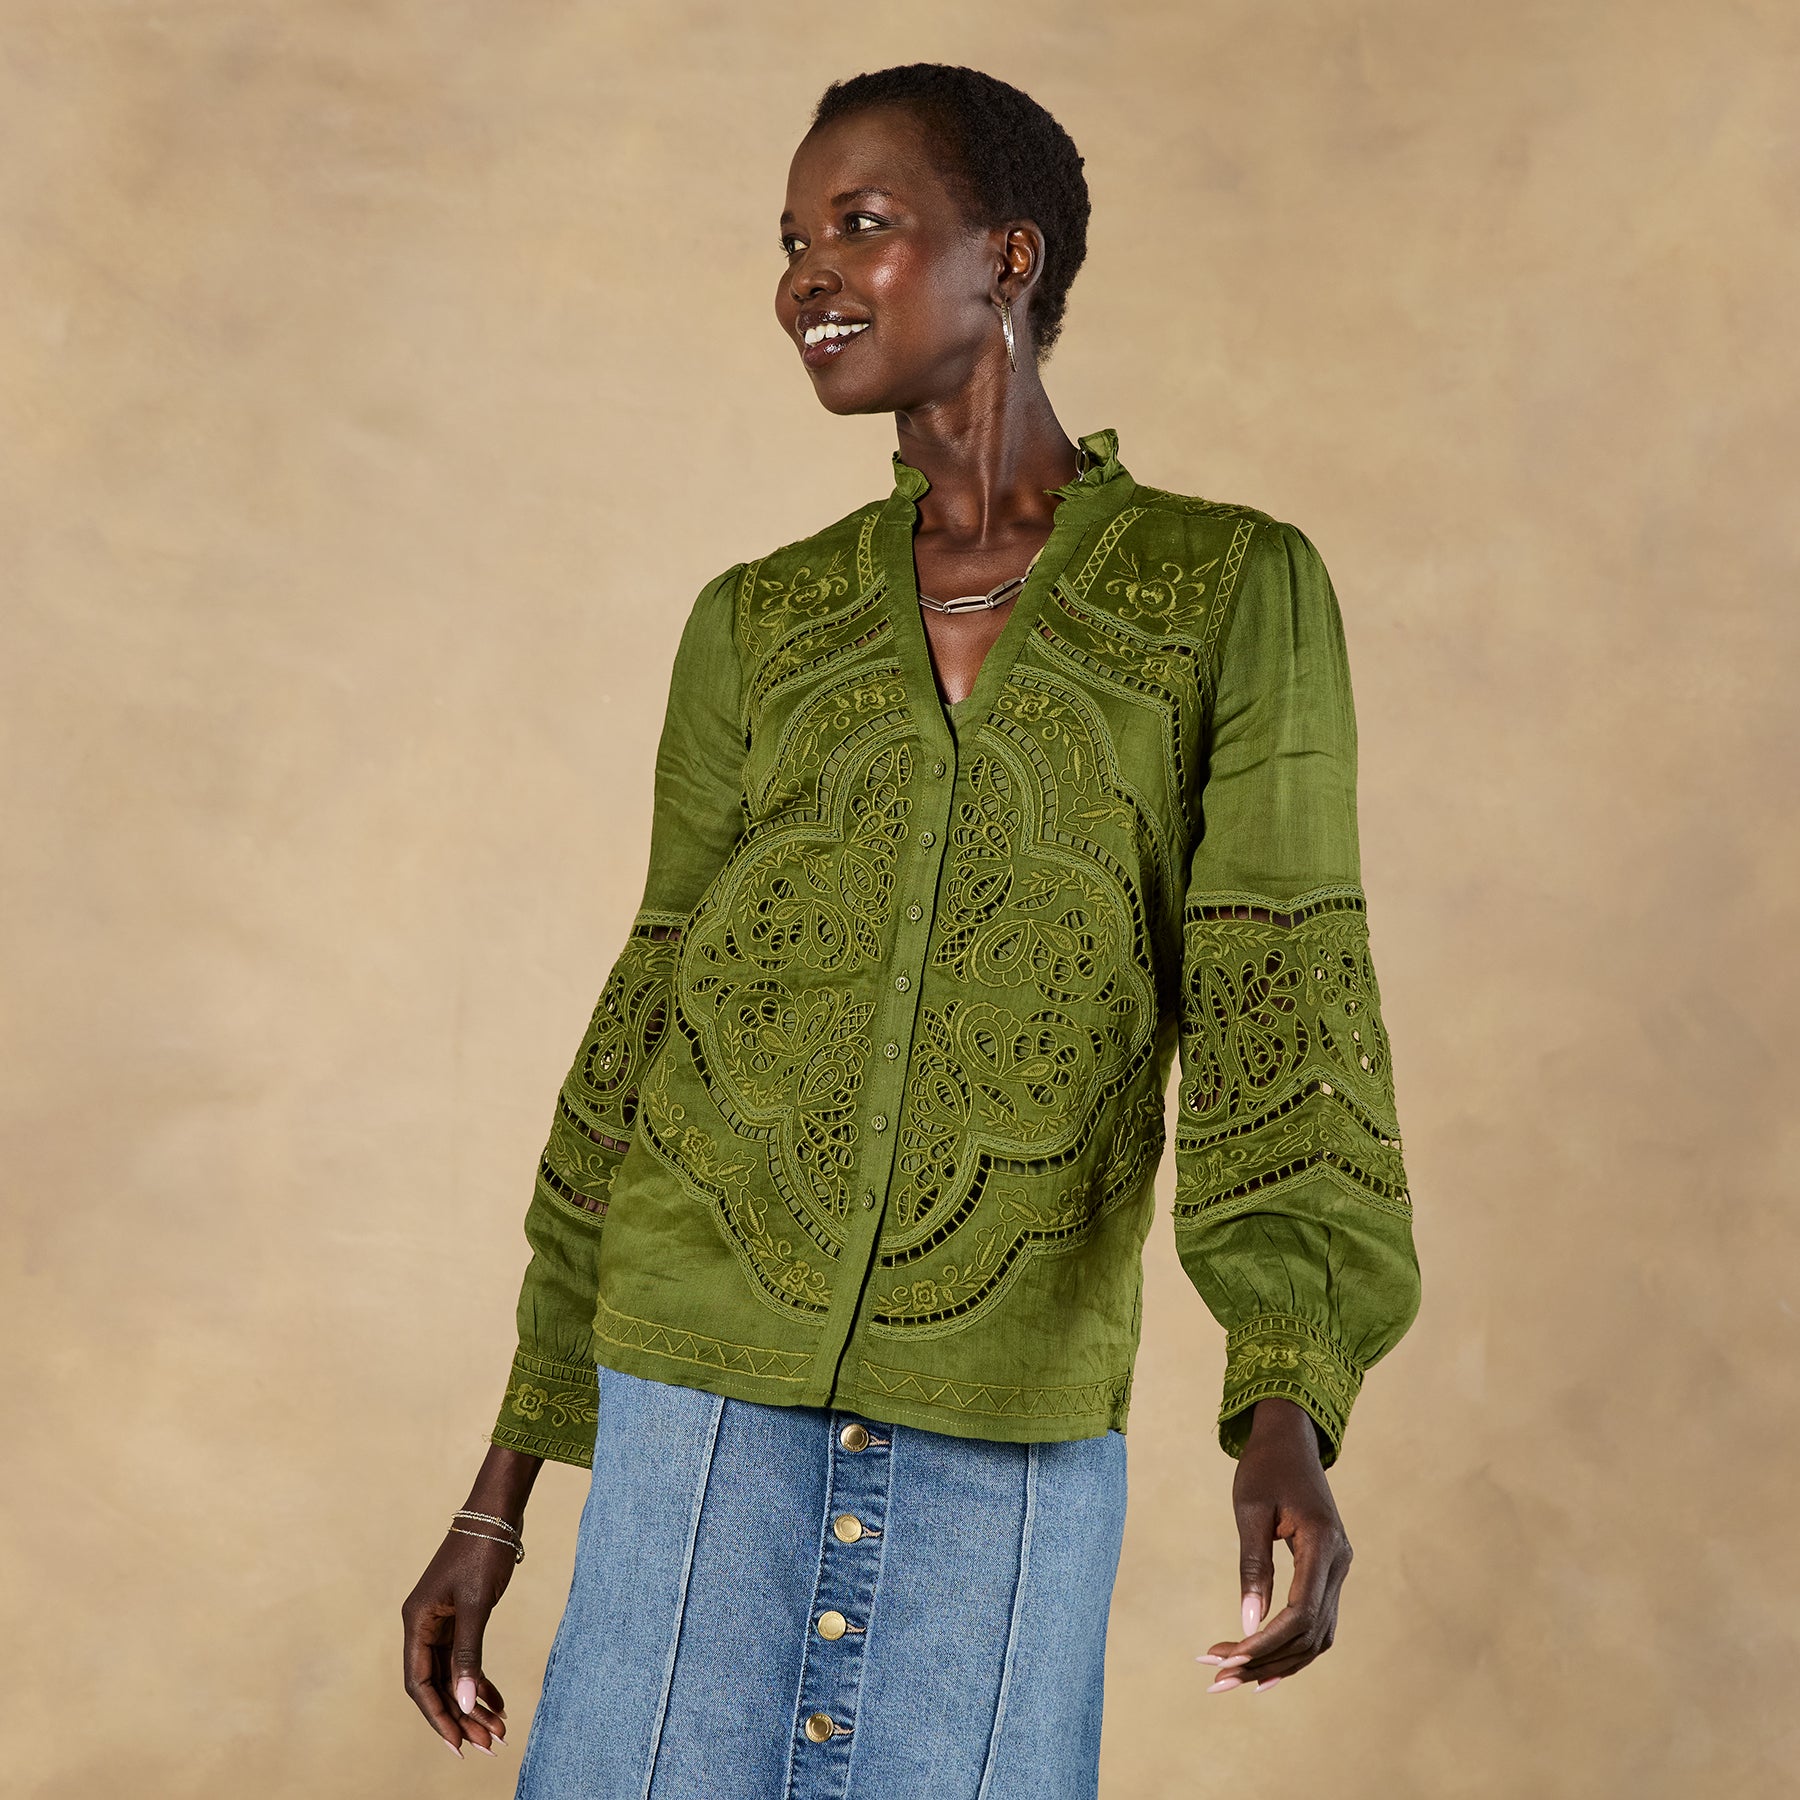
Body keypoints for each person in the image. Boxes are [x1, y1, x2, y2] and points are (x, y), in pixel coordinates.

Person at [401, 62, 1422, 1800]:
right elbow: (642, 1041)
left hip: (1005, 1433)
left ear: (1009, 255)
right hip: (693, 1425)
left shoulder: (1230, 589)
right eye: (789, 240)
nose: (805, 275)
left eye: (859, 225)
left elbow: (1284, 999)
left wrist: (1288, 1402)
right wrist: (504, 1491)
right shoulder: (758, 623)